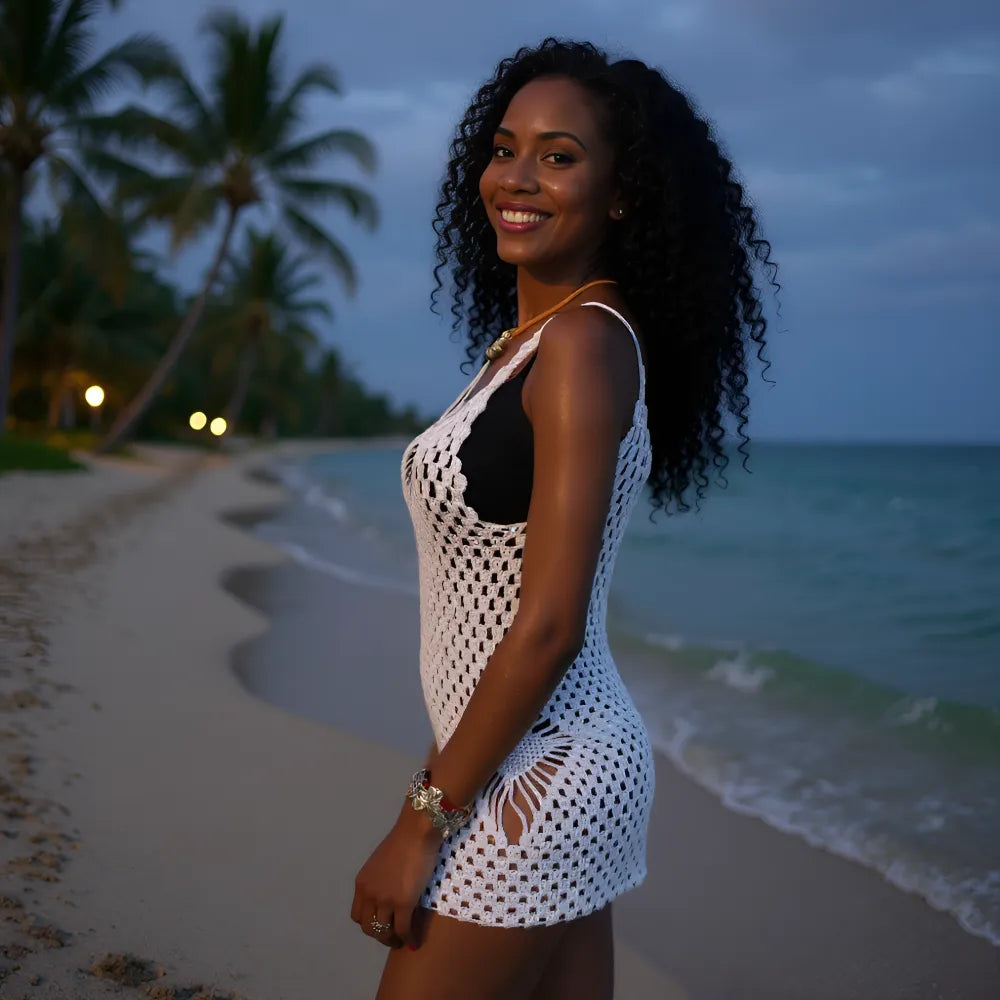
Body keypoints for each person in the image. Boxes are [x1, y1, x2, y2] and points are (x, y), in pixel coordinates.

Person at [351, 37, 778, 1000]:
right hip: (527, 763)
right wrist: (439, 782)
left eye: (560, 155)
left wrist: (421, 823)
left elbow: (546, 627)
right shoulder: (529, 344)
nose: (518, 177)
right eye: (505, 148)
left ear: (622, 197)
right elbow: (482, 617)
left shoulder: (583, 346)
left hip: (549, 776)